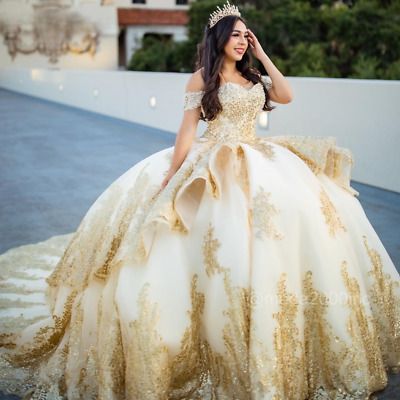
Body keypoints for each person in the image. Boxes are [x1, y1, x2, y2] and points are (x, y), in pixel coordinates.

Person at [0, 1, 399, 399]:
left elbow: (287, 94)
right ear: (220, 38)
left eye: (247, 35)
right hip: (212, 159)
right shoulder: (200, 80)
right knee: (205, 239)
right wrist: (173, 176)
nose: (242, 41)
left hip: (258, 158)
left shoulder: (255, 75)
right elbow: (187, 131)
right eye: (237, 35)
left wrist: (262, 54)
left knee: (286, 228)